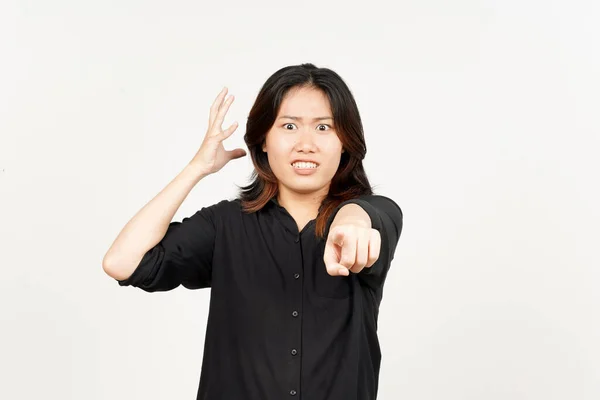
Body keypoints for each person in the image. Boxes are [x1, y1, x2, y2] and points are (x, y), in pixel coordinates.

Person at [102, 63, 403, 400]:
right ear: (263, 141)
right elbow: (122, 262)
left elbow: (366, 215)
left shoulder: (375, 215)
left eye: (323, 127)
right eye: (289, 126)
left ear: (345, 142)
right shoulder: (225, 224)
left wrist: (352, 220)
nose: (306, 144)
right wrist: (196, 168)